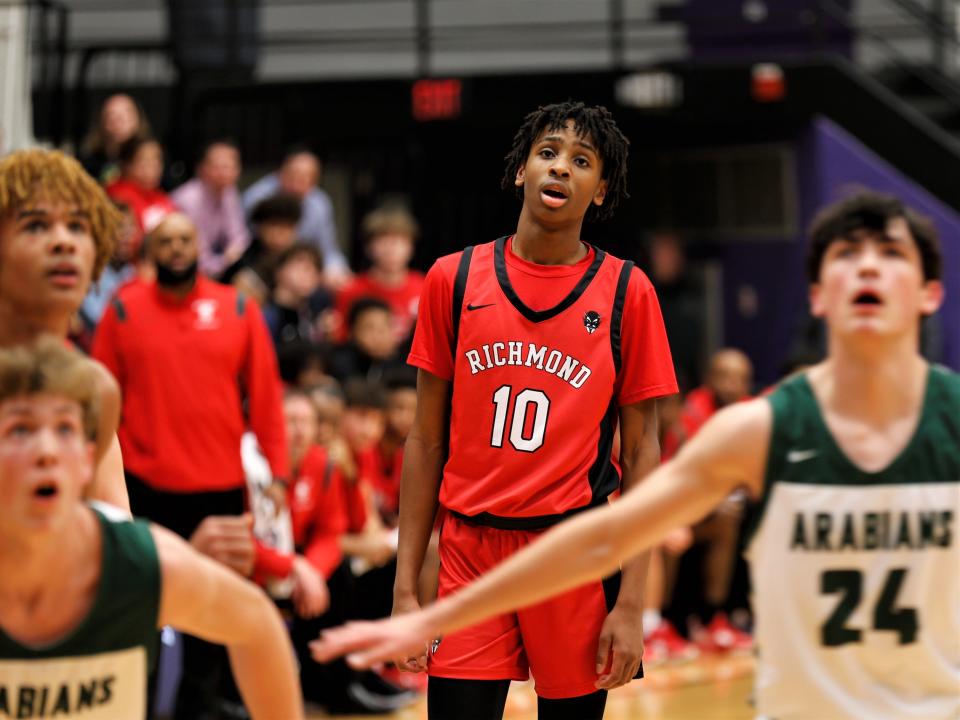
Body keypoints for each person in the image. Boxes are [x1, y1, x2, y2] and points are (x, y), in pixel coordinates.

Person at [313, 190, 959, 720]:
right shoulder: (758, 430)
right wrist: (431, 609)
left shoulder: (951, 423)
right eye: (848, 254)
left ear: (932, 291)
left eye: (892, 254)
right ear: (817, 295)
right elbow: (604, 534)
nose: (870, 267)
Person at [381, 101, 678, 720]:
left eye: (581, 161)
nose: (560, 169)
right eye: (547, 153)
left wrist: (630, 605)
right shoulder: (452, 278)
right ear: (520, 171)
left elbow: (644, 451)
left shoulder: (628, 291)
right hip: (469, 552)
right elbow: (425, 441)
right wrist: (406, 592)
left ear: (602, 192)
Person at [0, 339, 303, 720]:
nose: (47, 450)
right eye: (20, 429)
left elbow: (258, 625)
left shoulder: (137, 565)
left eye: (65, 429)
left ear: (87, 460)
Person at [90, 211, 290, 718]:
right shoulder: (123, 308)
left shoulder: (236, 306)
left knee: (214, 607)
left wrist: (278, 473)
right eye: (166, 241)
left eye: (185, 239)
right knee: (145, 606)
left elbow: (265, 398)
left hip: (219, 488)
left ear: (198, 246)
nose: (177, 248)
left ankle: (202, 705)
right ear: (151, 250)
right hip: (143, 487)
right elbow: (95, 397)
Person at [0, 148, 129, 511]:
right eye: (36, 225)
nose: (64, 242)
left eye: (77, 226)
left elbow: (114, 529)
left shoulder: (95, 388)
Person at [664, 347, 755, 653]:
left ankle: (718, 619)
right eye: (725, 377)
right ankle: (662, 623)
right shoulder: (690, 413)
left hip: (724, 503)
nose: (732, 385)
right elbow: (680, 476)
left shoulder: (751, 410)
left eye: (740, 379)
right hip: (681, 507)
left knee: (733, 521)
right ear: (709, 379)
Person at [242, 146, 349, 285]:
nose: (298, 184)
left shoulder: (319, 203)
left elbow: (327, 249)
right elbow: (241, 242)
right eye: (293, 176)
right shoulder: (256, 198)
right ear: (280, 173)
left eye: (307, 178)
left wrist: (336, 270)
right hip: (258, 262)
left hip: (299, 265)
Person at [335, 204, 425, 342]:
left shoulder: (425, 287)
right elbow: (341, 339)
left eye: (398, 241)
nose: (391, 249)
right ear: (368, 247)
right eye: (383, 240)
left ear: (411, 247)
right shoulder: (351, 291)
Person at [171, 139, 251, 278]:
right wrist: (225, 260)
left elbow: (239, 236)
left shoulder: (229, 192)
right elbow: (196, 253)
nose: (224, 173)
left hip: (219, 263)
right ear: (201, 169)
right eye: (217, 167)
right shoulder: (188, 199)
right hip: (186, 268)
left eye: (229, 167)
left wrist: (230, 255)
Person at [222, 193, 302, 304]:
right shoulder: (244, 263)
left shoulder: (299, 258)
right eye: (274, 225)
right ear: (260, 227)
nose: (281, 233)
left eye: (287, 226)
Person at [104, 137, 176, 236]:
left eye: (157, 160)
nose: (153, 167)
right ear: (126, 165)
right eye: (145, 161)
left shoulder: (162, 198)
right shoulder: (117, 196)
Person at [78, 93, 152, 184]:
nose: (118, 121)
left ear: (138, 118)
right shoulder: (90, 164)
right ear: (102, 122)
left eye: (125, 114)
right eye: (111, 115)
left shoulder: (152, 158)